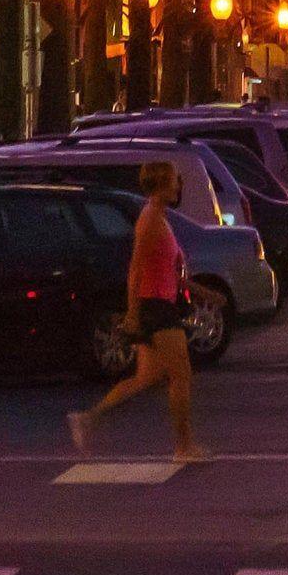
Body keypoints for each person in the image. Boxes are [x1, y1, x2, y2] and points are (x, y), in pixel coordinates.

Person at [68, 161, 202, 463]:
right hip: (154, 307)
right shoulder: (150, 218)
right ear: (160, 184)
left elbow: (168, 270)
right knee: (181, 375)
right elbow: (136, 268)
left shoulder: (161, 217)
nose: (179, 186)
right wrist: (132, 313)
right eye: (174, 181)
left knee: (146, 377)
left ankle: (88, 419)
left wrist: (205, 292)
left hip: (160, 302)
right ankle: (184, 447)